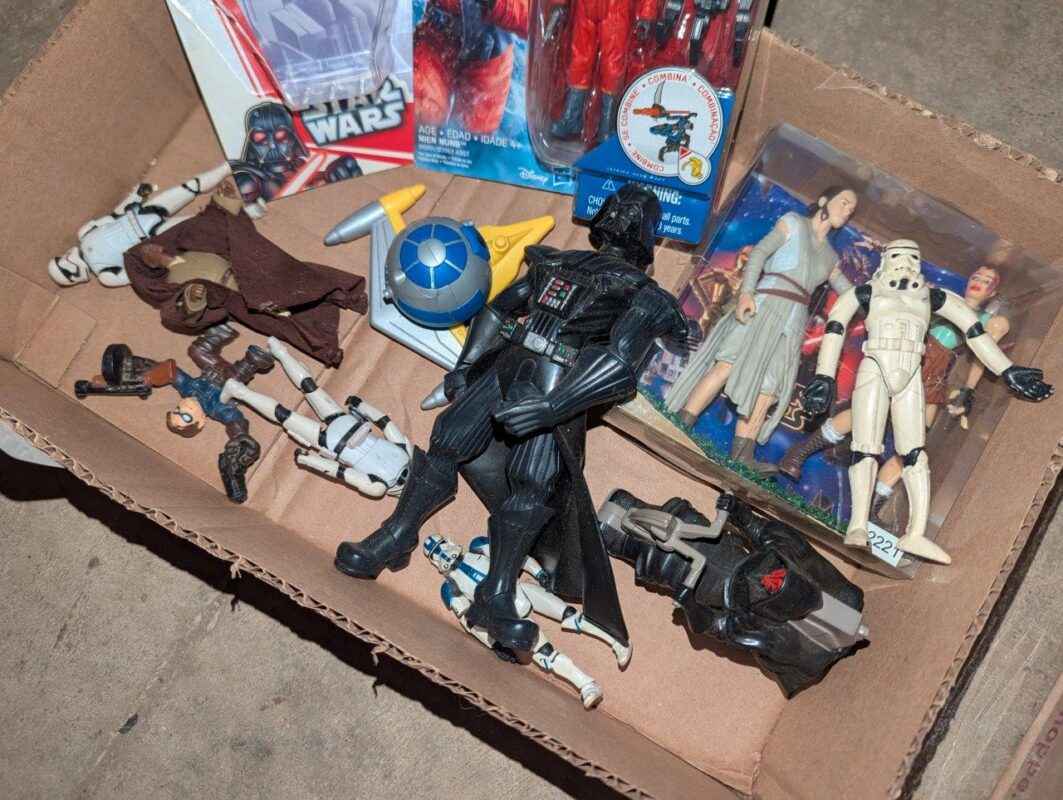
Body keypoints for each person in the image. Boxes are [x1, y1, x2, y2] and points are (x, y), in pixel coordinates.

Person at [334, 185, 689, 654]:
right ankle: (395, 535)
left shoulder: (643, 295)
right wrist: (466, 365)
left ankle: (497, 594)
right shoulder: (555, 261)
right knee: (448, 441)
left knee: (532, 482)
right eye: (618, 209)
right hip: (509, 364)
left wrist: (553, 408)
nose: (622, 217)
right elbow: (499, 309)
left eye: (631, 214)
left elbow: (619, 365)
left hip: (554, 383)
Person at [778, 266, 1009, 519]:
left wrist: (968, 390)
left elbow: (982, 355)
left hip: (934, 371)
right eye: (976, 276)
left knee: (913, 447)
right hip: (908, 356)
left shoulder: (986, 321)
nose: (979, 282)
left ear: (993, 292)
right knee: (863, 413)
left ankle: (872, 508)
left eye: (987, 281)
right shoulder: (942, 298)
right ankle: (799, 452)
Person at [665, 186, 858, 472]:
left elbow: (849, 293)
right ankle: (681, 424)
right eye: (844, 202)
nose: (847, 210)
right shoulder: (793, 223)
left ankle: (742, 453)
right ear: (823, 201)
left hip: (794, 321)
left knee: (770, 387)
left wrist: (877, 298)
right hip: (765, 302)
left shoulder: (830, 256)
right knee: (726, 365)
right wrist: (747, 293)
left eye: (851, 208)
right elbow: (759, 254)